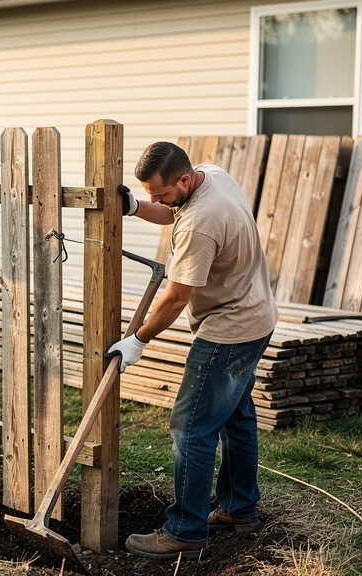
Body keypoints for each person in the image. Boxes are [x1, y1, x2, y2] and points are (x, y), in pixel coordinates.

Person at [107, 141, 278, 559]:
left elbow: (176, 297)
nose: (155, 200)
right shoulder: (210, 176)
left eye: (159, 194)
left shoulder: (200, 223)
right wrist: (137, 209)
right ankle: (240, 509)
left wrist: (138, 340)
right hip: (257, 317)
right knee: (236, 418)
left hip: (228, 331)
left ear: (183, 180)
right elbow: (175, 209)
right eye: (148, 193)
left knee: (191, 427)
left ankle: (185, 529)